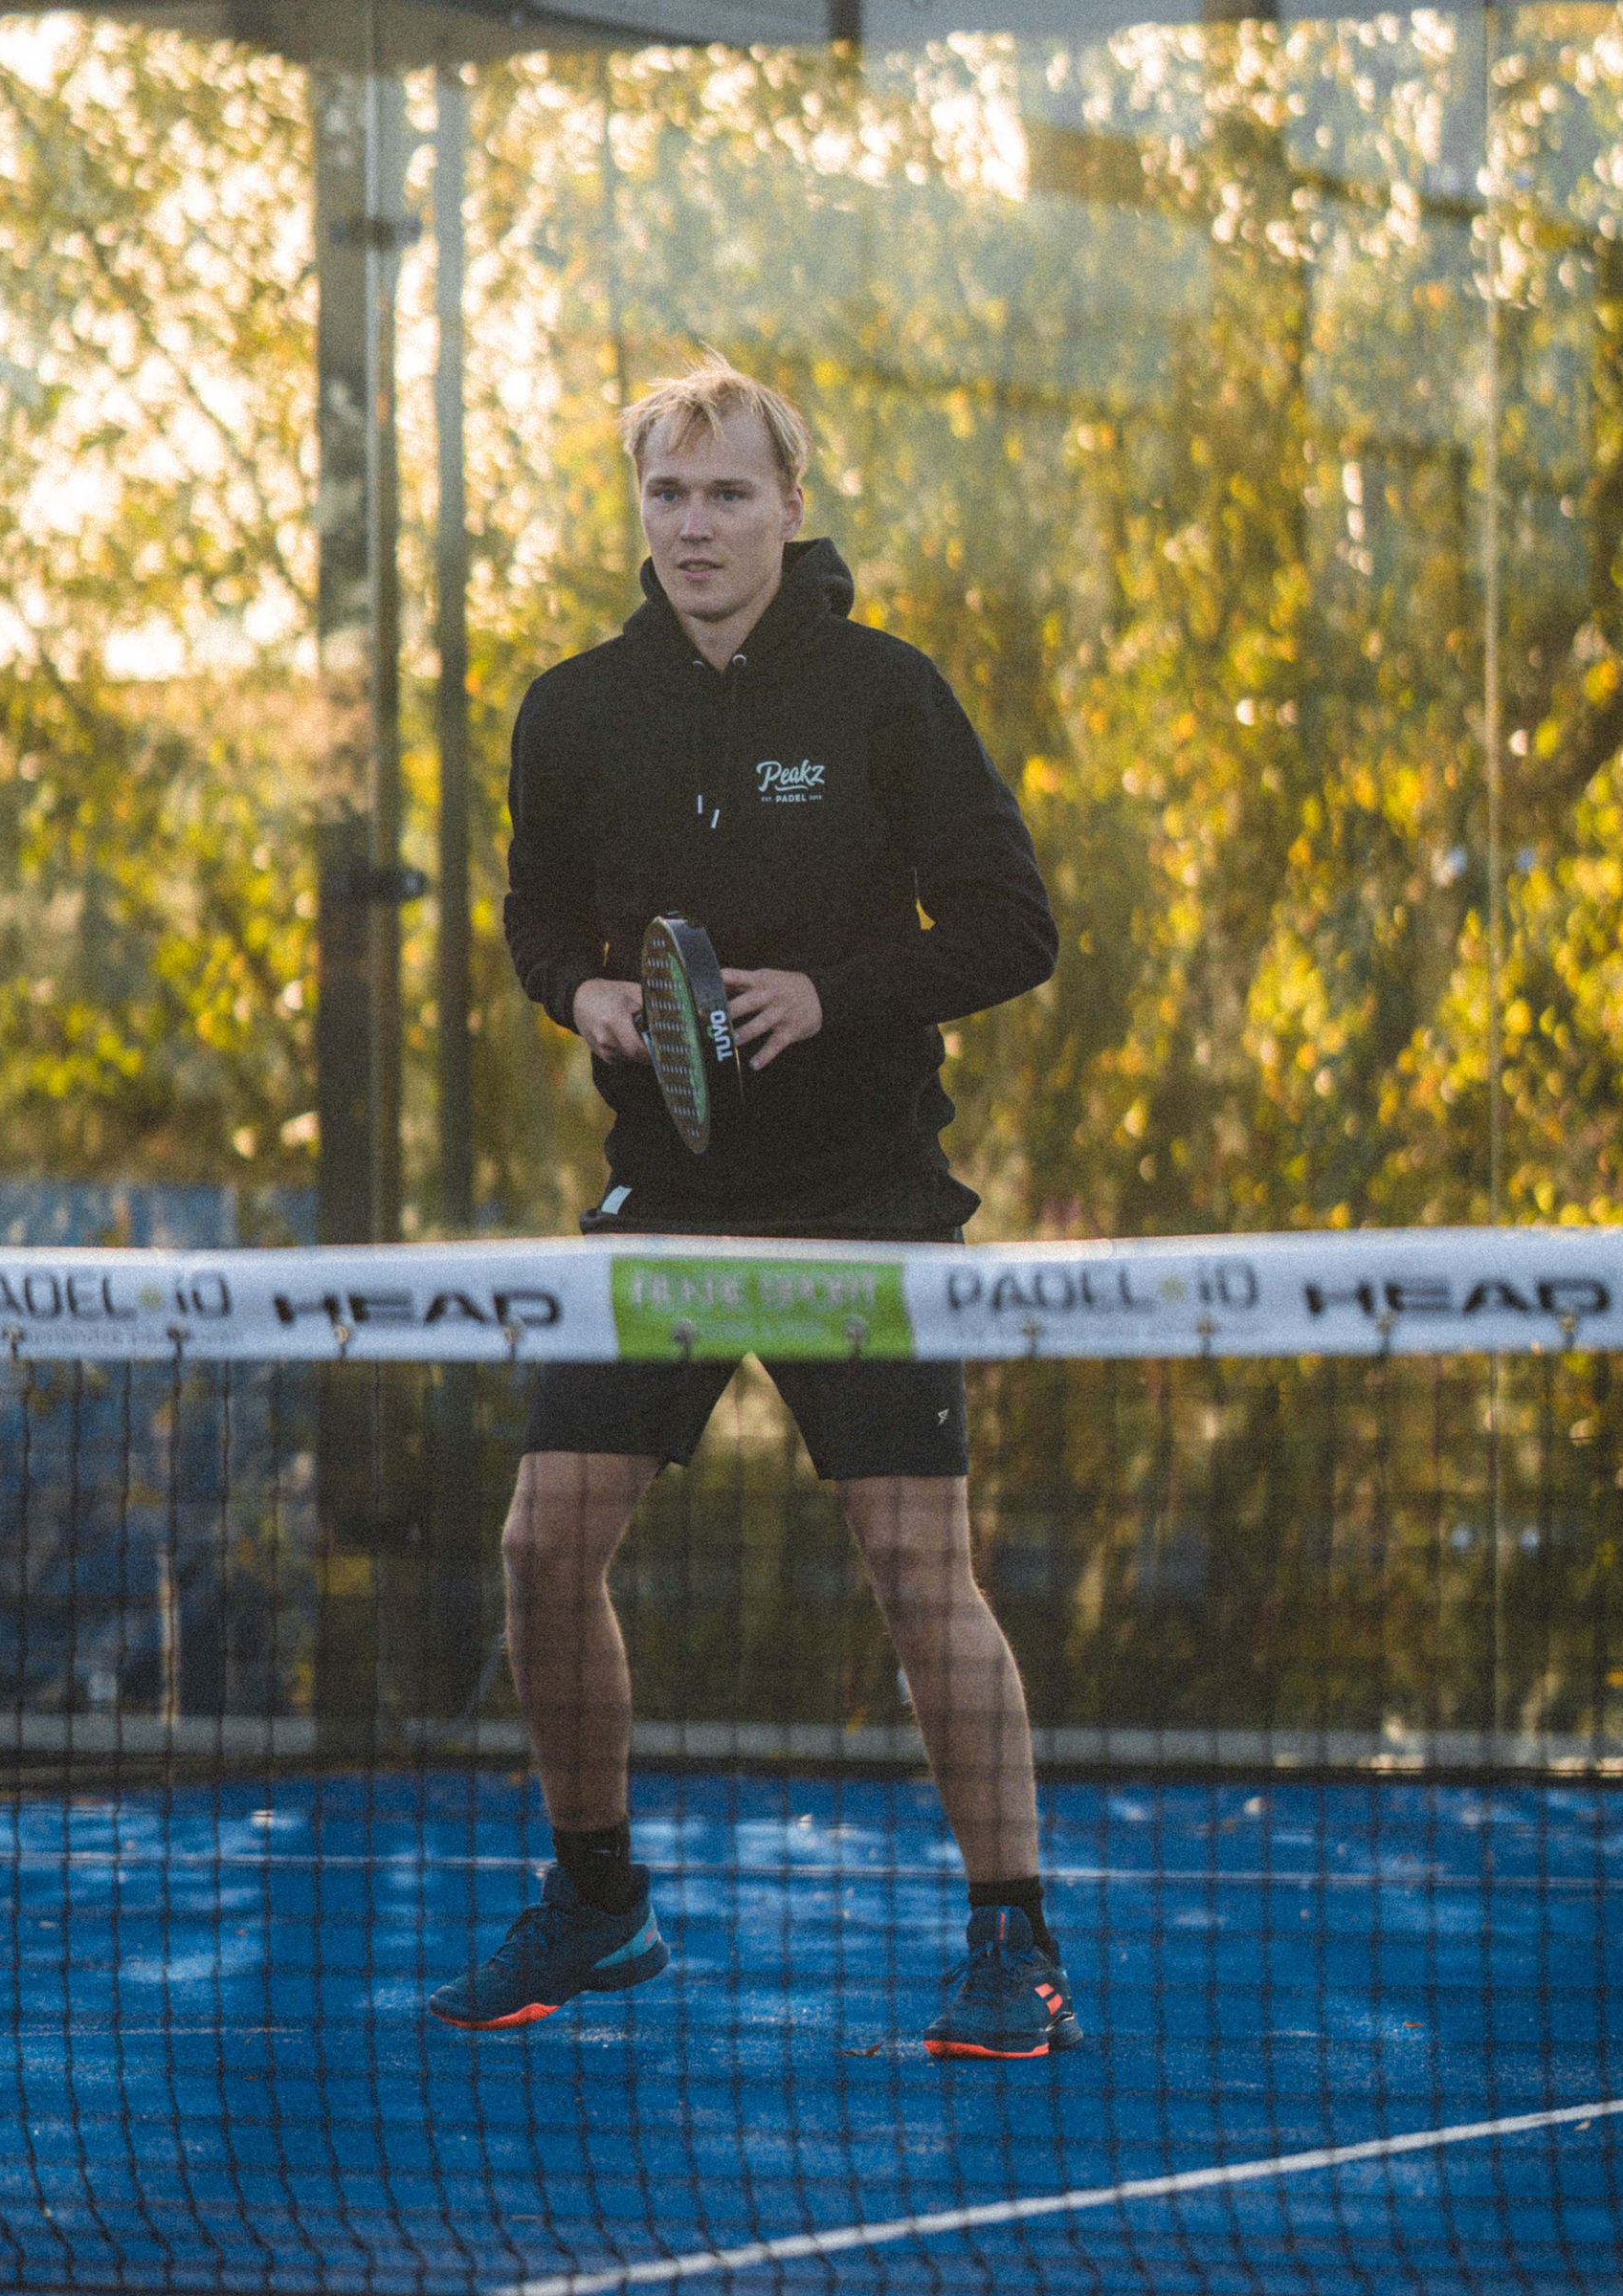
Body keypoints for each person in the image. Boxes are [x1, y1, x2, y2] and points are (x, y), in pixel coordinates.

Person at [426, 356, 1075, 2060]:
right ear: (639, 513)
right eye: (667, 493)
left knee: (914, 1565)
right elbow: (532, 917)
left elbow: (1014, 929)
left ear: (793, 506)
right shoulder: (571, 711)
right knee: (541, 1547)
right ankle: (599, 1904)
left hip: (865, 1204)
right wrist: (587, 1001)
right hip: (667, 1205)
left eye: (728, 493)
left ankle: (1013, 1941)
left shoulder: (884, 696)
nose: (695, 524)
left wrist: (830, 996)